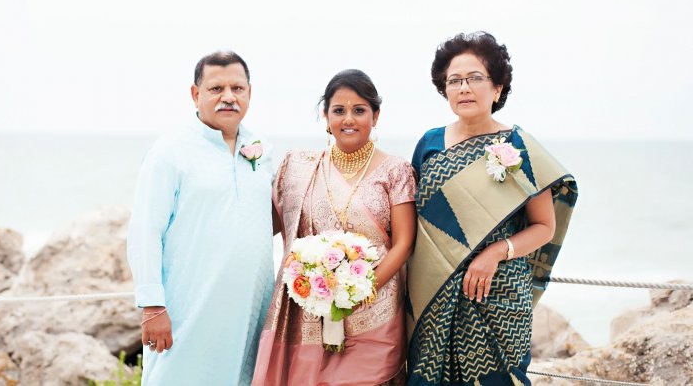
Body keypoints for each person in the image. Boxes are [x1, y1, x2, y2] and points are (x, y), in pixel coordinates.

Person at [406, 32, 578, 386]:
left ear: (498, 88)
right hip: (433, 292)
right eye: (454, 80)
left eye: (475, 78)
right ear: (444, 90)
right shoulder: (429, 144)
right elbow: (415, 223)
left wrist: (498, 252)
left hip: (497, 294)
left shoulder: (518, 147)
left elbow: (544, 226)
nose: (463, 87)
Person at [253, 69, 416, 386]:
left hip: (376, 308)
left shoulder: (396, 170)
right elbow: (263, 225)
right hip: (313, 310)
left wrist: (361, 290)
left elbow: (404, 243)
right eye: (338, 110)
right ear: (325, 116)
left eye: (359, 110)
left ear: (376, 115)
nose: (348, 119)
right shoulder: (299, 167)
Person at [127, 51, 275, 386]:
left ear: (249, 93)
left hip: (247, 312)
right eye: (216, 88)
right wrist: (152, 306)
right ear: (196, 94)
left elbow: (271, 219)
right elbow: (145, 231)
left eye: (237, 88)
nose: (228, 97)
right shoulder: (170, 152)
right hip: (187, 309)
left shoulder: (261, 149)